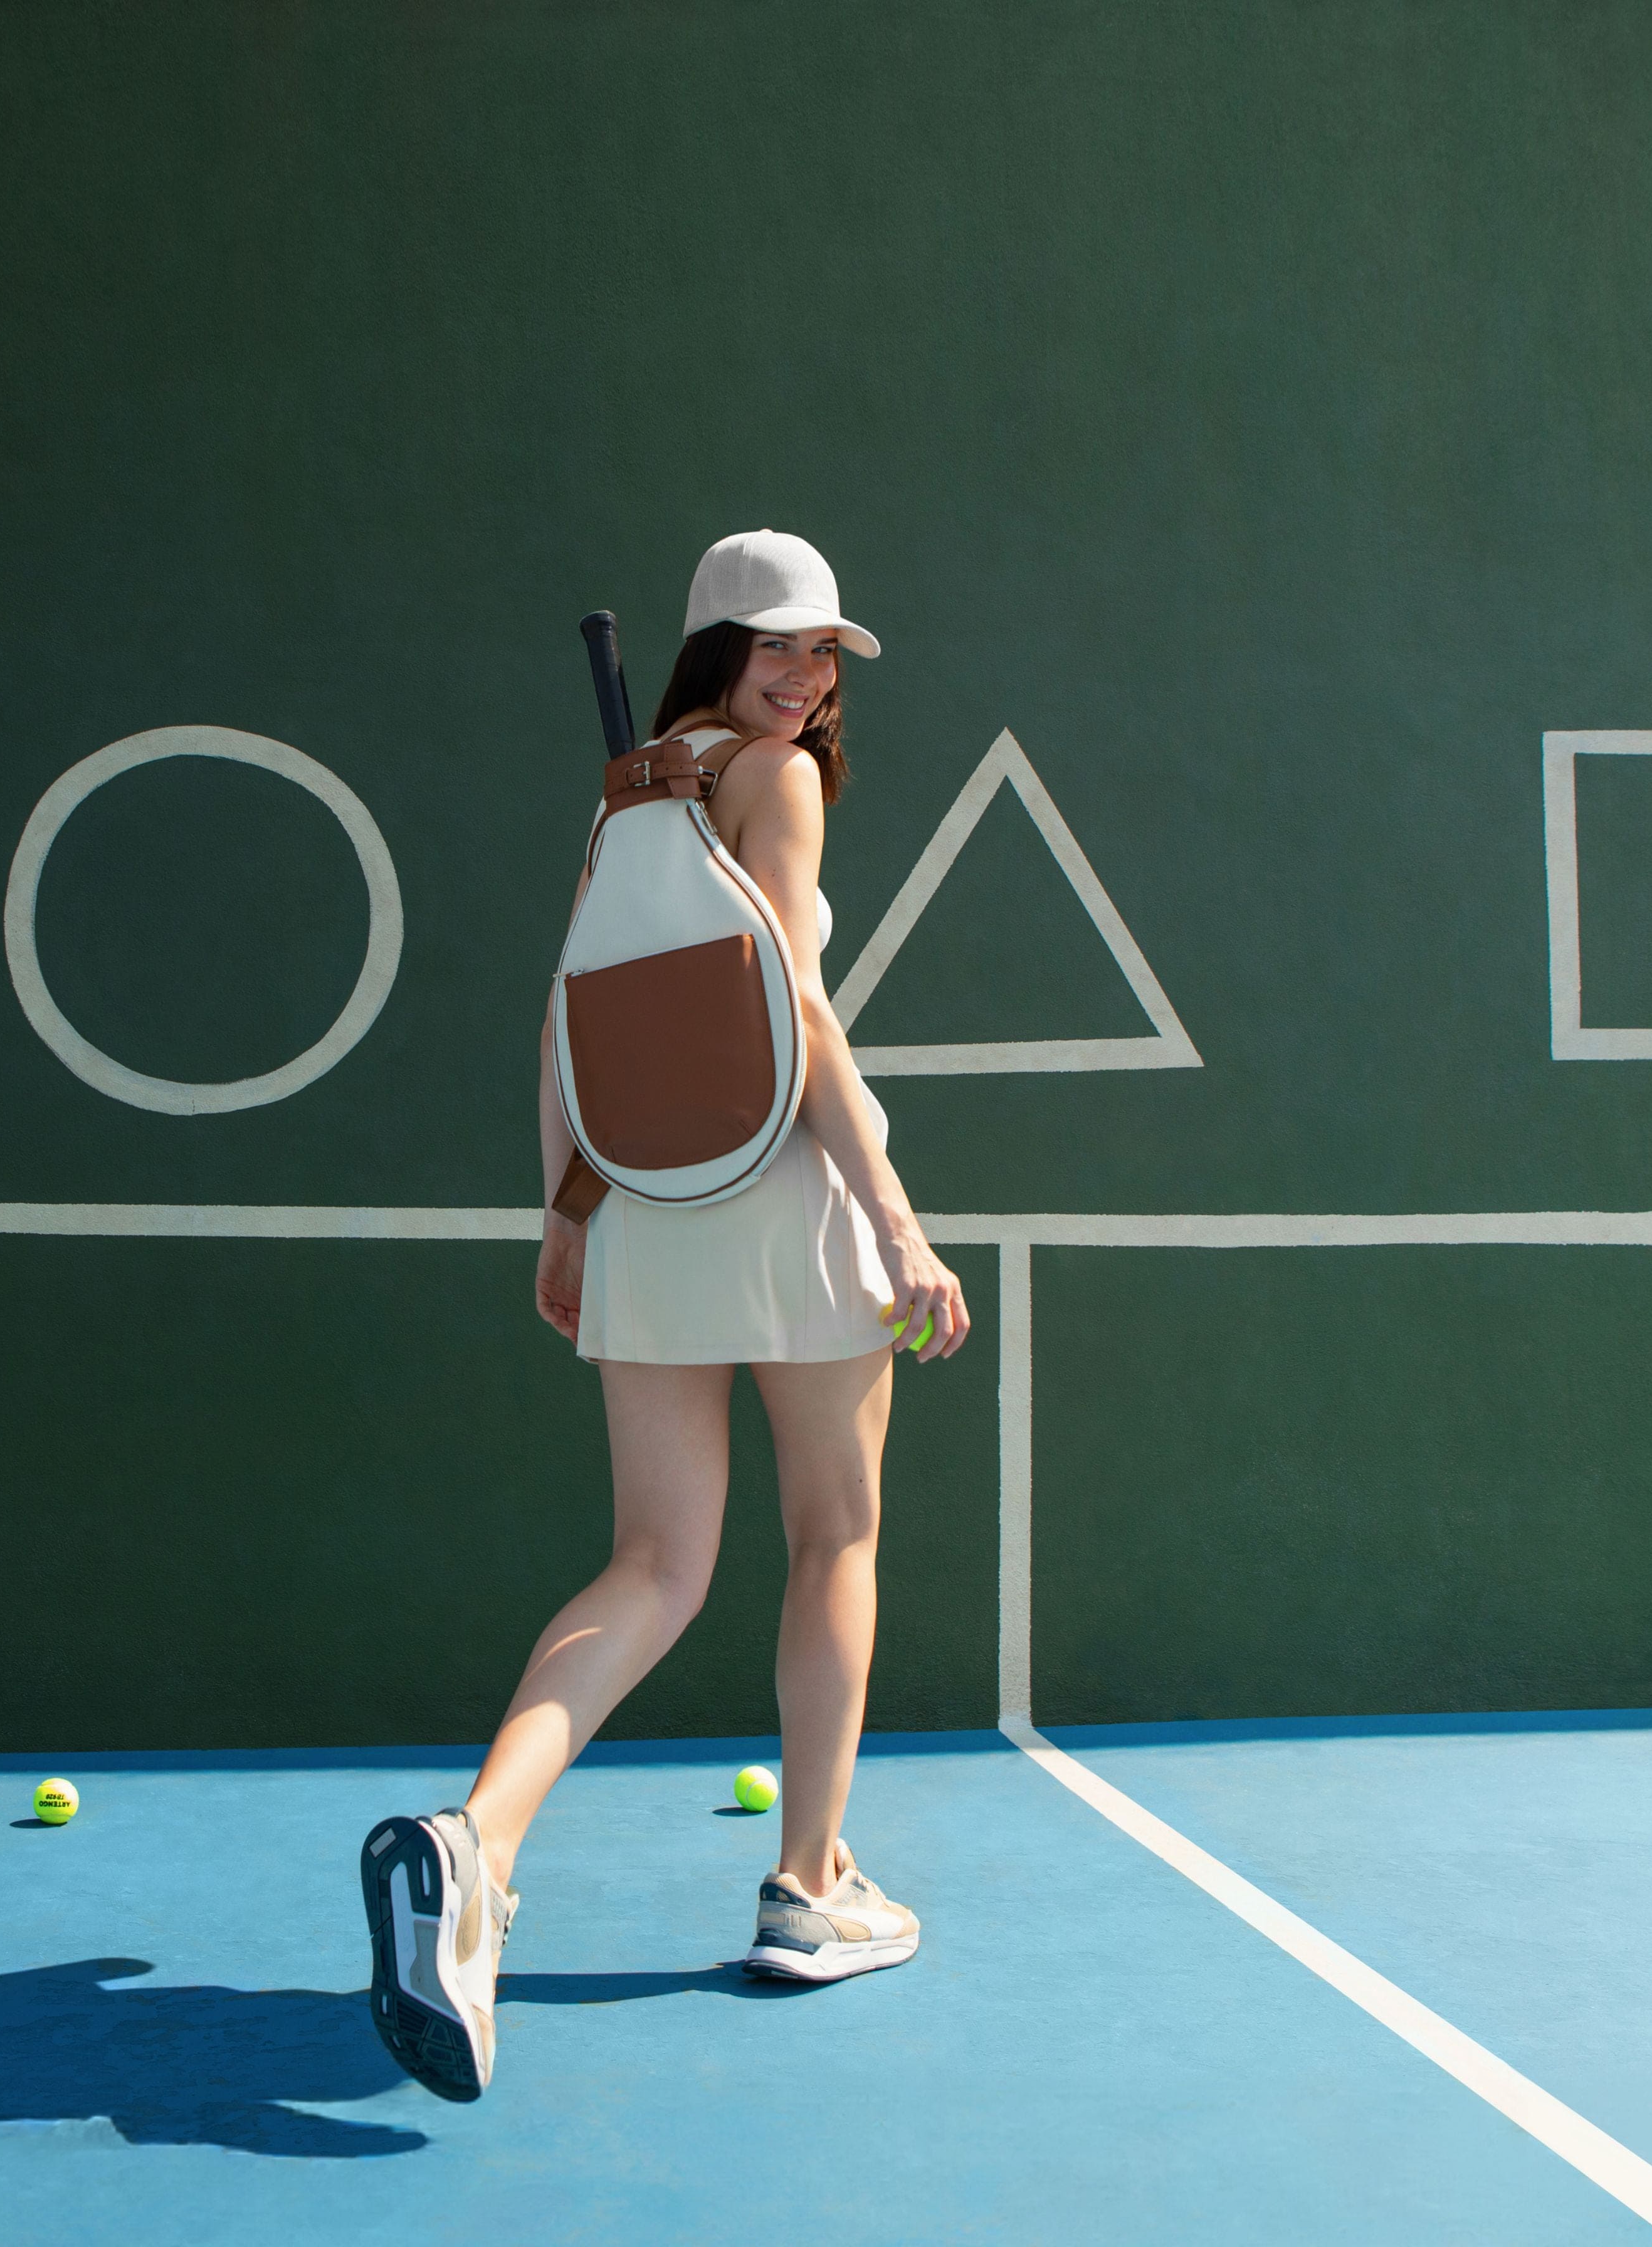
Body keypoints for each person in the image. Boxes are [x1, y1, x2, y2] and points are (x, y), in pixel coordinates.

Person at [360, 529, 971, 2103]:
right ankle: (812, 1887)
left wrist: (564, 1210)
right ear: (717, 643)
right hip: (780, 1189)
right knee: (835, 1532)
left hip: (643, 1209)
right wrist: (896, 1218)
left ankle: (478, 1850)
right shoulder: (778, 780)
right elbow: (798, 1002)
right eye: (777, 644)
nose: (804, 674)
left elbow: (565, 1012)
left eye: (826, 650)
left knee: (652, 1563)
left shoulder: (624, 795)